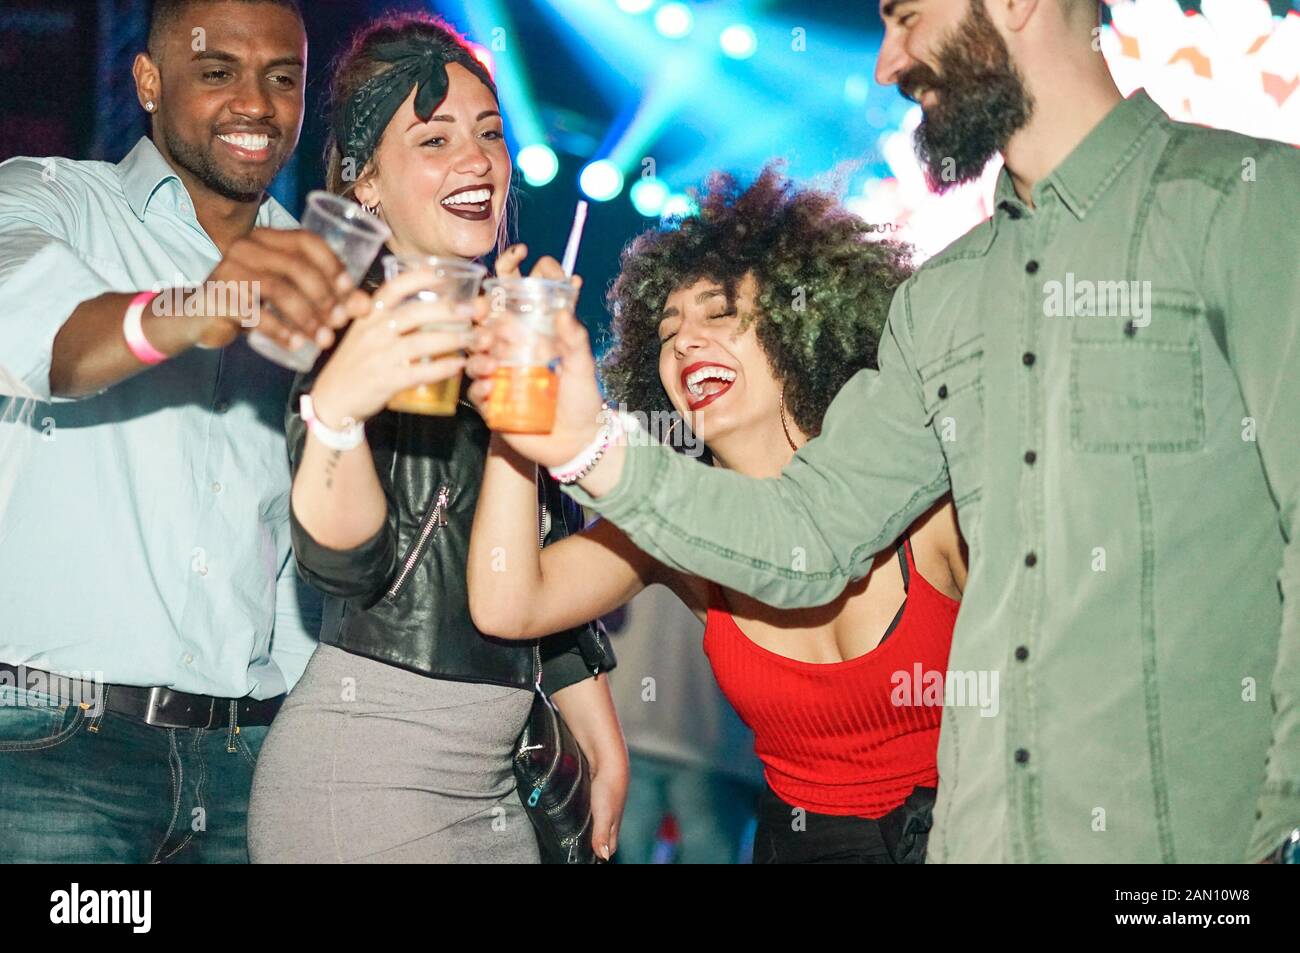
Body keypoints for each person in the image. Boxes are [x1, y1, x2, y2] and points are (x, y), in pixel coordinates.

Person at [468, 0, 1300, 863]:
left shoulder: (1250, 206)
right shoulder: (939, 304)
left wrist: (1267, 823)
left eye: (906, 16)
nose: (885, 62)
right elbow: (809, 535)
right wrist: (578, 439)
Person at [468, 169, 966, 863]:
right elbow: (508, 603)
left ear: (801, 322)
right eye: (668, 331)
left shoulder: (925, 504)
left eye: (719, 313)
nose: (686, 342)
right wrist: (511, 415)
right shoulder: (679, 531)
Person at [246, 12, 626, 864]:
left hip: (494, 784)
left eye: (490, 133)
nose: (478, 159)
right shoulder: (349, 330)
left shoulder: (514, 330)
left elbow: (540, 555)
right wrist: (337, 410)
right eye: (435, 137)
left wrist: (601, 735)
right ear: (368, 182)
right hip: (365, 780)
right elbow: (342, 561)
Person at [0, 0, 366, 864]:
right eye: (218, 72)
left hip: (244, 765)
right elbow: (41, 342)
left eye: (283, 78)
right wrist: (203, 305)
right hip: (55, 747)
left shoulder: (322, 270)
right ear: (149, 83)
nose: (257, 103)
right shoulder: (47, 198)